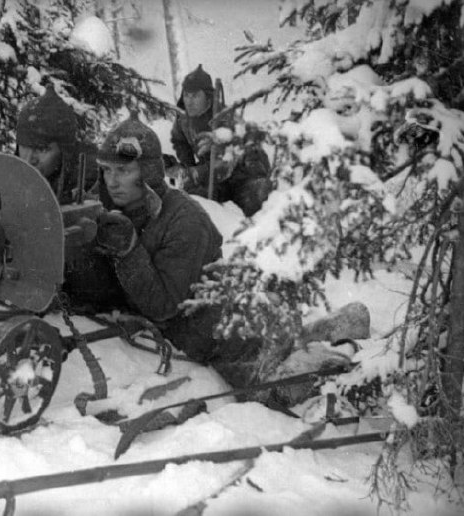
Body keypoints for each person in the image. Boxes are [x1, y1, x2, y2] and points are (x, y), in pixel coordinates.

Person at [93, 112, 264, 388]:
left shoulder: (185, 220)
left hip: (226, 343)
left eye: (123, 171)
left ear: (148, 173)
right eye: (107, 170)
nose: (112, 181)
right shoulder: (114, 208)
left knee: (275, 393)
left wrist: (129, 251)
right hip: (173, 336)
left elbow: (164, 307)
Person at [170, 65, 272, 217]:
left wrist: (196, 173)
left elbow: (226, 162)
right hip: (214, 177)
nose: (189, 102)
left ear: (208, 97)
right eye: (186, 95)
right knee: (193, 198)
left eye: (195, 96)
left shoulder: (225, 118)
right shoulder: (183, 120)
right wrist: (188, 167)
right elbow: (180, 141)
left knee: (256, 198)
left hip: (244, 174)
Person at [15, 84, 97, 204]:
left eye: (42, 149)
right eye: (24, 147)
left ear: (65, 152)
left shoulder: (94, 185)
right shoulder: (4, 180)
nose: (30, 159)